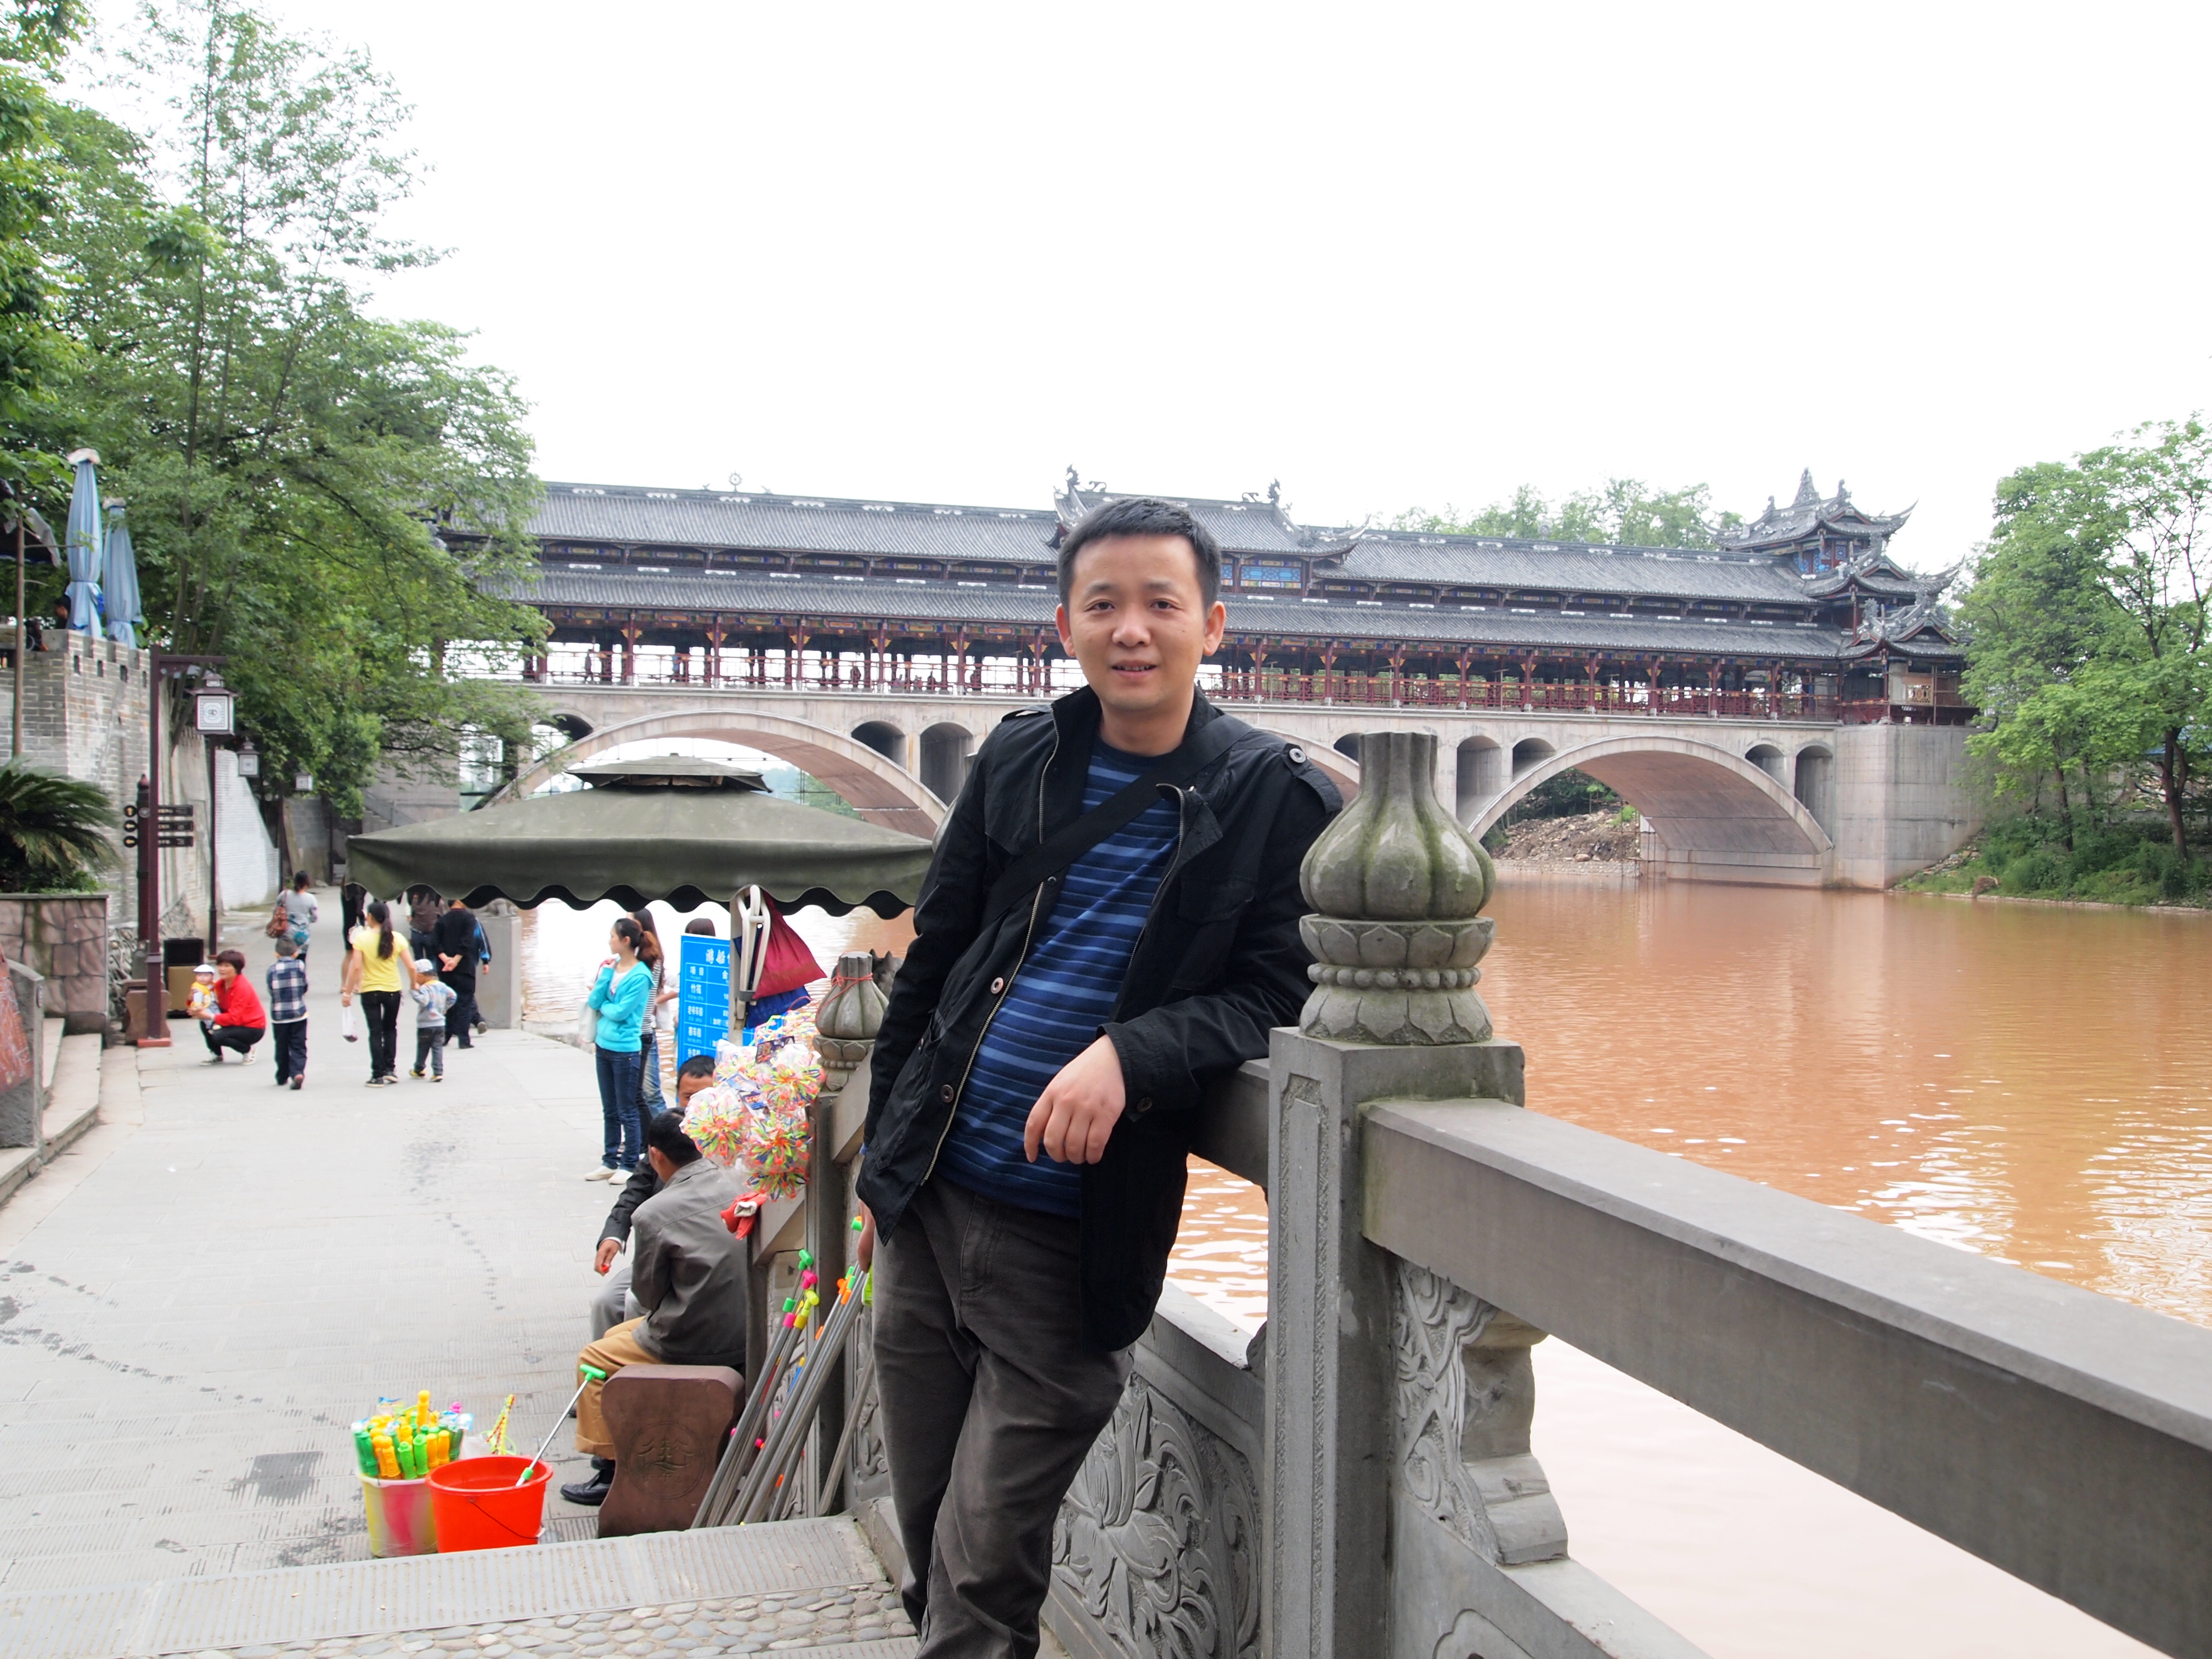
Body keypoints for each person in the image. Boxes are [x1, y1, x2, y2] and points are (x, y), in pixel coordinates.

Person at [857, 495, 1340, 1656]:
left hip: (1071, 1236)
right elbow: (939, 952)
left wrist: (1133, 1050)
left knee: (986, 1563)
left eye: (1160, 603)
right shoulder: (1019, 754)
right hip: (931, 1194)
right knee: (929, 1524)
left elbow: (1278, 991)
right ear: (1065, 623)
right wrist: (880, 1166)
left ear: (1210, 625)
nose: (1132, 629)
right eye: (1104, 604)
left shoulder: (1278, 796)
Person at [562, 1107, 744, 1508]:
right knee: (616, 1333)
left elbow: (646, 1298)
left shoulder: (653, 1214)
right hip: (746, 1327)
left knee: (593, 1359)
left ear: (656, 1155)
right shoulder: (737, 1181)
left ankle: (610, 1469)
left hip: (692, 1339)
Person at [590, 1053, 718, 1341]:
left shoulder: (728, 1143)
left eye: (705, 1097)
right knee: (606, 1303)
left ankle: (640, 1359)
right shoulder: (666, 1134)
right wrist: (614, 1235)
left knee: (637, 1304)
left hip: (704, 1260)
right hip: (659, 1257)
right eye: (688, 1097)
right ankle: (607, 1362)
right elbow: (635, 1191)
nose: (695, 1106)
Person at [584, 917, 655, 1179]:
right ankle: (609, 1160)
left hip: (625, 1050)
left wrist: (605, 1006)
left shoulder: (641, 976)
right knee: (610, 1109)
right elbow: (594, 1000)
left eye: (613, 936)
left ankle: (629, 1164)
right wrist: (605, 975)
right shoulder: (610, 968)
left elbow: (621, 1012)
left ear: (626, 941)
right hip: (603, 1045)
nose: (609, 941)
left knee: (627, 1109)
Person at [341, 899, 421, 1086]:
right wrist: (413, 984)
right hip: (393, 990)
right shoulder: (397, 938)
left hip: (370, 991)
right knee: (391, 1029)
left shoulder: (362, 939)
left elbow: (356, 968)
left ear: (370, 917)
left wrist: (348, 993)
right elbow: (411, 967)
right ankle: (390, 1070)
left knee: (375, 1032)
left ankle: (377, 1075)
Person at [630, 908, 669, 1112]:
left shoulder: (651, 957)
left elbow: (648, 1001)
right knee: (635, 1093)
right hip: (632, 1032)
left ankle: (666, 1130)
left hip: (644, 1031)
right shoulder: (626, 959)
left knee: (651, 1091)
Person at [199, 949, 268, 1063]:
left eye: (227, 966)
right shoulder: (220, 984)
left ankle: (248, 1051)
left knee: (219, 1035)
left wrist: (210, 1017)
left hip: (252, 1027)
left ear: (237, 968)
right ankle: (217, 1054)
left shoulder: (242, 987)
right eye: (220, 965)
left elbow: (234, 1017)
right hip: (234, 1022)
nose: (222, 969)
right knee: (205, 1023)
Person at [432, 896, 481, 1049]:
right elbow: (467, 941)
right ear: (459, 901)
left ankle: (446, 1036)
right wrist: (456, 960)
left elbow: (435, 943)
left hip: (445, 970)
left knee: (448, 1003)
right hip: (465, 968)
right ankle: (464, 1040)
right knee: (465, 1003)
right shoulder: (469, 919)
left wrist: (446, 960)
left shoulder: (442, 920)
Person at [266, 935, 309, 1090]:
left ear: (276, 954)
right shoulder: (300, 966)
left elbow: (271, 990)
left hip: (279, 1015)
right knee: (299, 1045)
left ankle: (282, 1075)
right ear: (295, 953)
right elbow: (304, 986)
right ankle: (298, 1072)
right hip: (299, 1013)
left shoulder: (272, 970)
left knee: (281, 1046)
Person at [409, 960, 456, 1080]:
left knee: (423, 1047)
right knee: (437, 1047)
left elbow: (424, 1001)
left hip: (426, 1024)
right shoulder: (442, 986)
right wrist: (445, 1008)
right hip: (440, 1024)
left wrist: (413, 992)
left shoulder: (425, 988)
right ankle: (438, 1072)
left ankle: (419, 1069)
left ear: (420, 975)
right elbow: (453, 996)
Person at [279, 872, 319, 962]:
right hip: (302, 934)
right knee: (301, 960)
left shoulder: (284, 895)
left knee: (285, 959)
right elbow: (315, 917)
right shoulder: (310, 898)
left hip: (286, 932)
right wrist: (306, 920)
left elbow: (276, 910)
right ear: (307, 883)